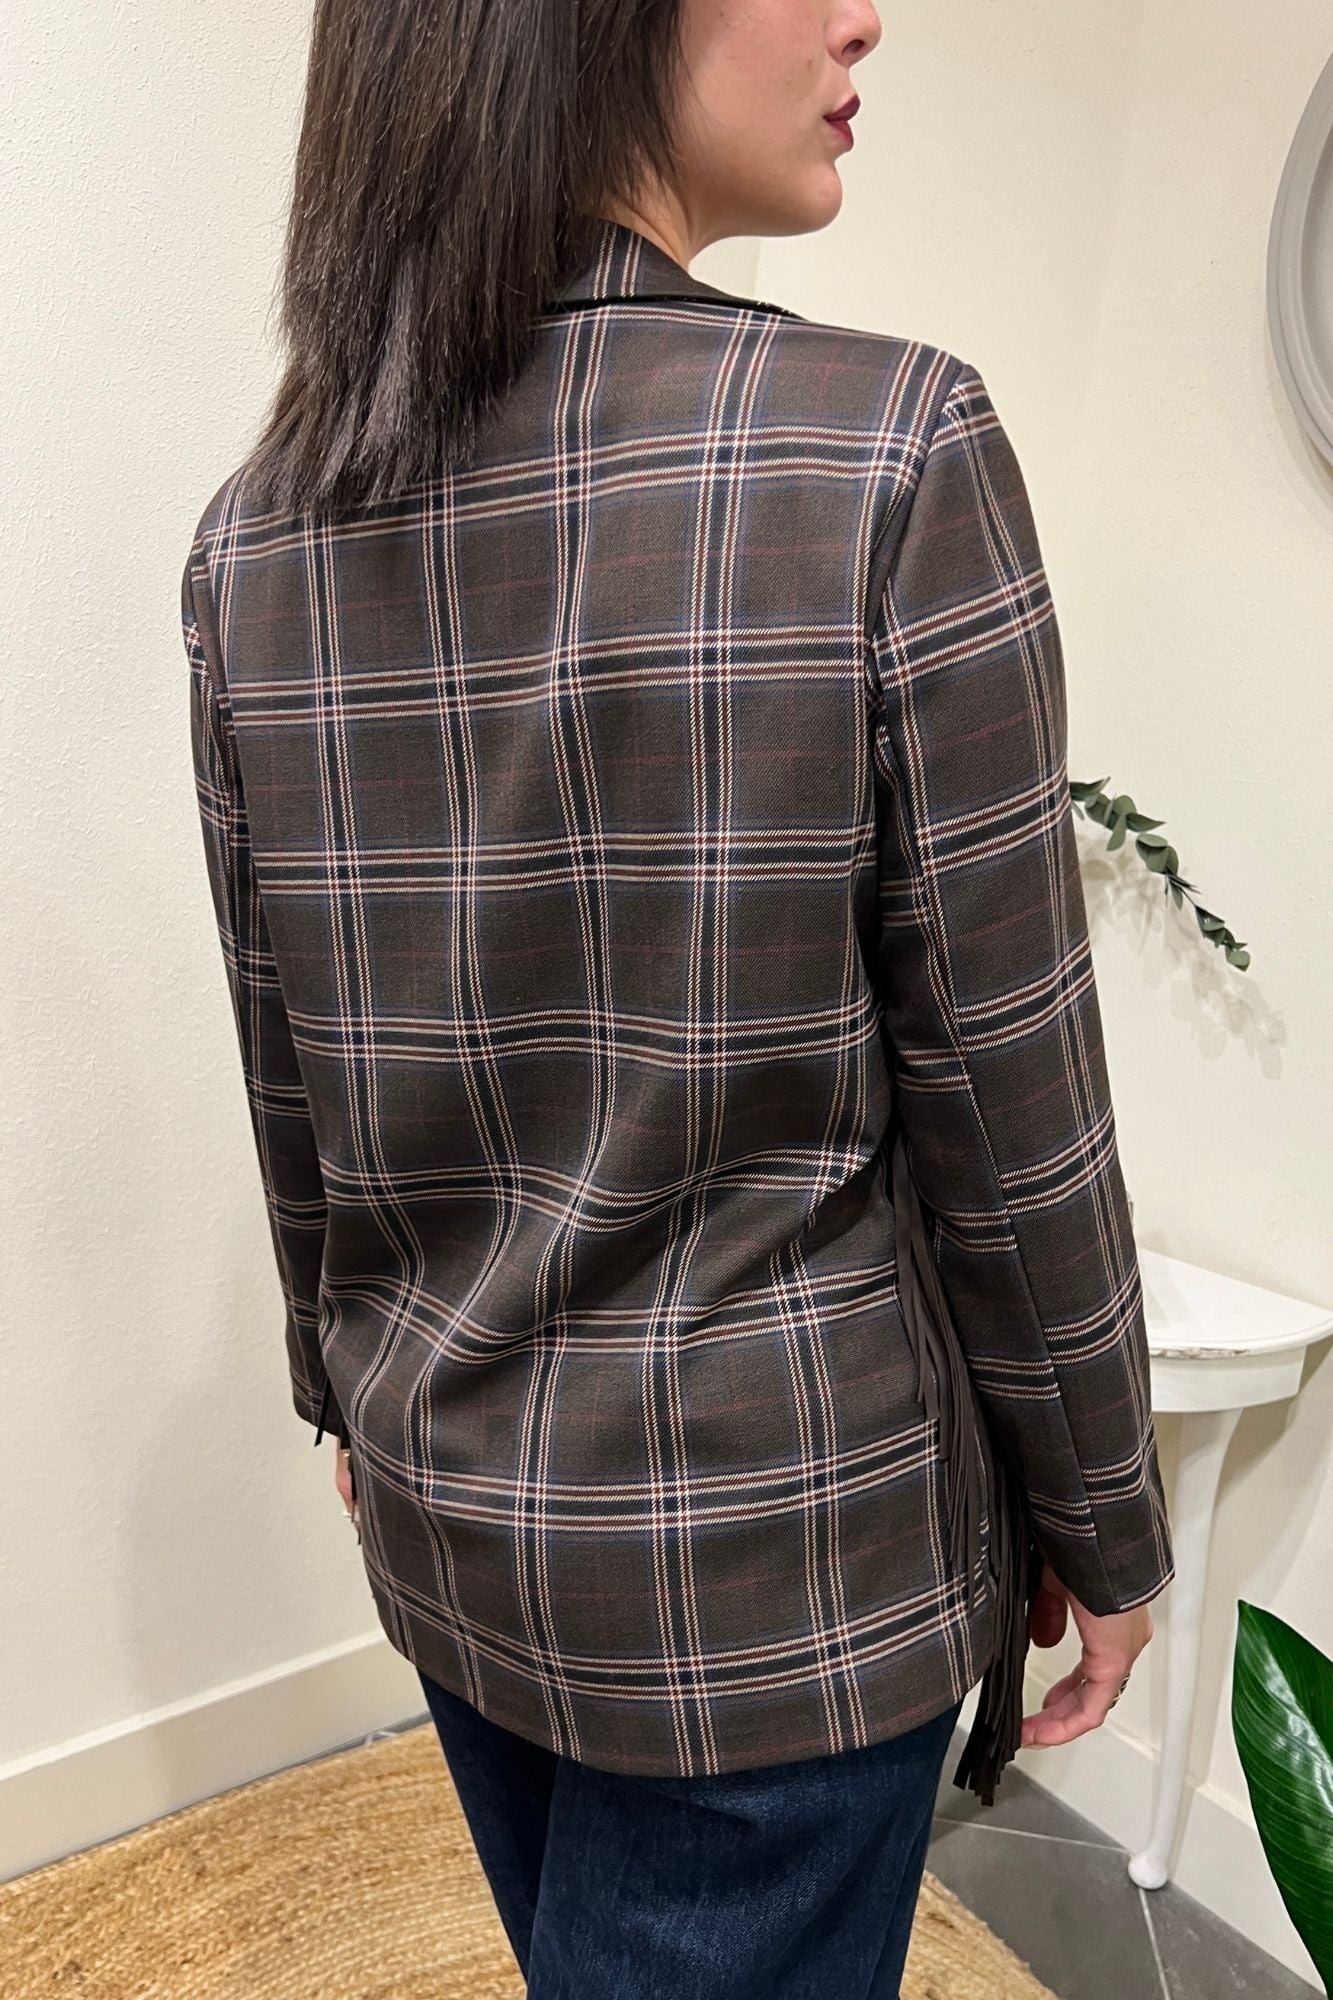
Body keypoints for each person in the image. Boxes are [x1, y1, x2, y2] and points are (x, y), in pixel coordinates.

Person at [181, 2, 1175, 1993]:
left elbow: (292, 1071)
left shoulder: (258, 532)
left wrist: (343, 1391)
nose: (862, 14)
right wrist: (1106, 1513)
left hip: (452, 1511)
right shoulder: (885, 450)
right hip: (779, 1571)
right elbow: (1011, 1095)